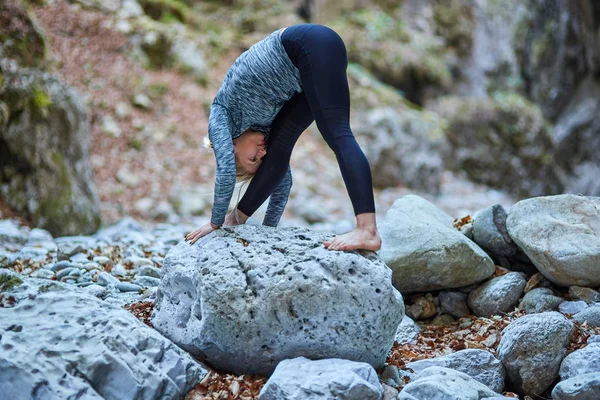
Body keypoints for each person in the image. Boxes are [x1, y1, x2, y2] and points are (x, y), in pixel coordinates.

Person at [185, 24, 381, 251]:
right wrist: (266, 233)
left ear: (231, 147)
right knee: (283, 150)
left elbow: (227, 170)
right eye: (259, 159)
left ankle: (367, 230)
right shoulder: (263, 132)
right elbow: (280, 177)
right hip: (307, 70)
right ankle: (236, 220)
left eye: (252, 159)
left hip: (306, 45)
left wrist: (215, 222)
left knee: (338, 134)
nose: (262, 153)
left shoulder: (221, 116)